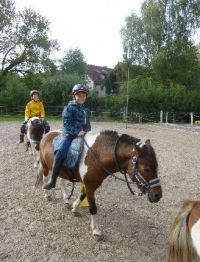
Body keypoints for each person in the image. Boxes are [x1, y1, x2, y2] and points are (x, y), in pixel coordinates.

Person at [43, 84, 91, 190]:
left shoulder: (86, 109)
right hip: (69, 134)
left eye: (83, 95)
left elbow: (87, 123)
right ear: (74, 96)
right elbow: (67, 124)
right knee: (60, 153)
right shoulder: (69, 108)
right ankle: (53, 180)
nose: (82, 97)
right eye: (79, 95)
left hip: (84, 134)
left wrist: (87, 131)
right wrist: (77, 132)